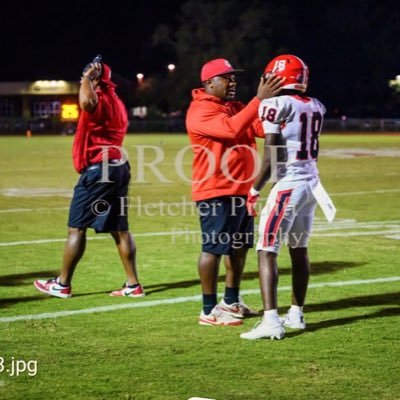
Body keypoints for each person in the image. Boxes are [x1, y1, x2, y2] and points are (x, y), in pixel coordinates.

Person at [240, 54, 335, 340]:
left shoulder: (274, 104)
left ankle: (271, 321)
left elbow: (271, 156)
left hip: (289, 184)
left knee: (266, 249)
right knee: (299, 248)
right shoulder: (317, 105)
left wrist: (254, 189)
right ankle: (296, 314)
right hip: (311, 185)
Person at [34, 56, 144, 299]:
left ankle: (62, 284)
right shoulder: (116, 100)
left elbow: (86, 102)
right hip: (118, 167)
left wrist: (87, 78)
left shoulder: (99, 97)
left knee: (76, 229)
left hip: (99, 170)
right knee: (120, 229)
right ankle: (133, 285)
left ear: (95, 79)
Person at [185, 58, 282, 326]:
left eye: (233, 78)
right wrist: (258, 99)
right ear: (209, 83)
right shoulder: (200, 110)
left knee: (239, 248)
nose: (232, 82)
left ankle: (230, 301)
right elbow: (231, 128)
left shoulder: (235, 107)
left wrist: (280, 108)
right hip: (215, 189)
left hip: (242, 190)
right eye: (226, 77)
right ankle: (207, 310)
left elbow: (260, 128)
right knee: (213, 249)